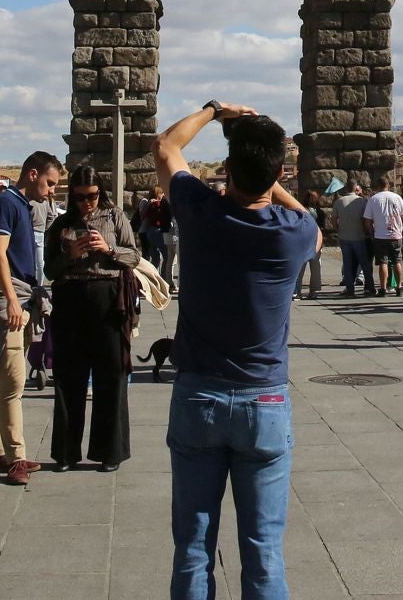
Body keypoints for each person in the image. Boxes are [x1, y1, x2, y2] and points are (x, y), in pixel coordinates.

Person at [154, 101, 319, 600]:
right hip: (264, 401)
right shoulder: (296, 235)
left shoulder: (199, 212)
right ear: (279, 172)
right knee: (264, 551)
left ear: (225, 172)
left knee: (193, 550)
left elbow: (166, 146)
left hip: (199, 395)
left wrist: (213, 111)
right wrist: (270, 178)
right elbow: (304, 214)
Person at [44, 165, 141, 472]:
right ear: (72, 196)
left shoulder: (115, 218)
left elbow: (135, 256)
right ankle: (66, 452)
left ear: (101, 192)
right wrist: (70, 255)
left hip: (108, 297)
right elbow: (49, 270)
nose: (88, 203)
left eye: (93, 196)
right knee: (68, 376)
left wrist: (109, 249)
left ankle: (109, 451)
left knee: (111, 374)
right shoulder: (61, 224)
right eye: (81, 197)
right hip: (71, 297)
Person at [0, 150, 62, 487]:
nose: (53, 190)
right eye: (50, 182)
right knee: (13, 382)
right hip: (7, 295)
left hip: (19, 294)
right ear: (32, 174)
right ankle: (16, 459)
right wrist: (12, 301)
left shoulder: (21, 206)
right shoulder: (6, 205)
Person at [362, 173, 403, 298]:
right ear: (388, 185)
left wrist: (371, 233)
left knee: (383, 262)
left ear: (377, 186)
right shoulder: (397, 197)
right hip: (396, 234)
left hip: (380, 235)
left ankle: (383, 288)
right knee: (397, 260)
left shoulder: (373, 199)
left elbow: (367, 220)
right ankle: (399, 287)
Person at [330, 180, 370, 298]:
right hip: (359, 236)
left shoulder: (338, 201)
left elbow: (333, 220)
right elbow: (366, 219)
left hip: (344, 236)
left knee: (347, 264)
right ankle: (370, 287)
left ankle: (350, 290)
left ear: (346, 188)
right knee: (364, 263)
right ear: (355, 188)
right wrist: (365, 230)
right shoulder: (362, 201)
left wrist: (338, 229)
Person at [137, 183, 173, 283]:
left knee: (155, 258)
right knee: (167, 256)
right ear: (158, 193)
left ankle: (151, 280)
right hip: (157, 232)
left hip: (149, 232)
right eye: (162, 193)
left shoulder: (149, 203)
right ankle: (163, 279)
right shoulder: (158, 204)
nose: (163, 195)